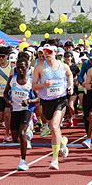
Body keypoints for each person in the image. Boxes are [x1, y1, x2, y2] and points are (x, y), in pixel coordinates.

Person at [32, 41, 73, 170]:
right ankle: (62, 142)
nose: (47, 54)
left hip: (60, 100)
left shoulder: (63, 66)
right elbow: (33, 86)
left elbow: (70, 74)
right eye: (44, 52)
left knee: (55, 126)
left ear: (55, 52)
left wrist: (70, 85)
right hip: (46, 101)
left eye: (49, 52)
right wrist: (43, 85)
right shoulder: (39, 67)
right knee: (53, 127)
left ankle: (55, 159)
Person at [4, 58, 39, 171]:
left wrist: (28, 101)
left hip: (26, 109)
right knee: (15, 138)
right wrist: (8, 101)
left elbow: (38, 98)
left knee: (22, 132)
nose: (20, 69)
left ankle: (23, 161)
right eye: (18, 67)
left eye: (22, 67)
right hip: (15, 110)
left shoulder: (31, 81)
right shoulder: (12, 79)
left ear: (27, 67)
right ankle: (27, 134)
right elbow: (5, 93)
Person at [65, 51, 80, 128]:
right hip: (64, 88)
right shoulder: (63, 66)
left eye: (69, 57)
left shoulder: (75, 67)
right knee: (66, 106)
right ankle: (70, 119)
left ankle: (73, 117)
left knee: (71, 105)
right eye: (66, 57)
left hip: (73, 88)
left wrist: (76, 80)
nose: (67, 58)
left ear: (71, 57)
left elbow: (79, 75)